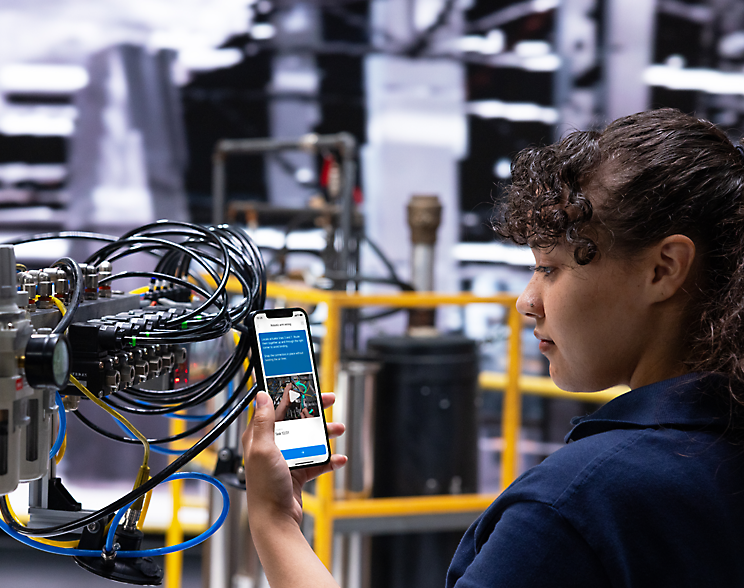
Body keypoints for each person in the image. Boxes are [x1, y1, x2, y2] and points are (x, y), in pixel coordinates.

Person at [242, 108, 744, 587]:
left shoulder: (576, 506)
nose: (528, 301)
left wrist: (273, 518)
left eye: (551, 267)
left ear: (663, 268)